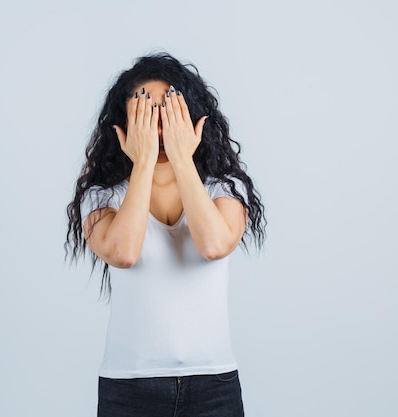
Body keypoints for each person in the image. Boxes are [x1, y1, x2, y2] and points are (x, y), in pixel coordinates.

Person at [65, 53, 266, 417]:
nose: (158, 129)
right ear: (123, 125)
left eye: (168, 114)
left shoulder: (225, 187)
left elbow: (214, 245)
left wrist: (181, 157)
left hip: (214, 385)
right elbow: (123, 252)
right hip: (128, 389)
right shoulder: (101, 195)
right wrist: (142, 162)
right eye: (145, 116)